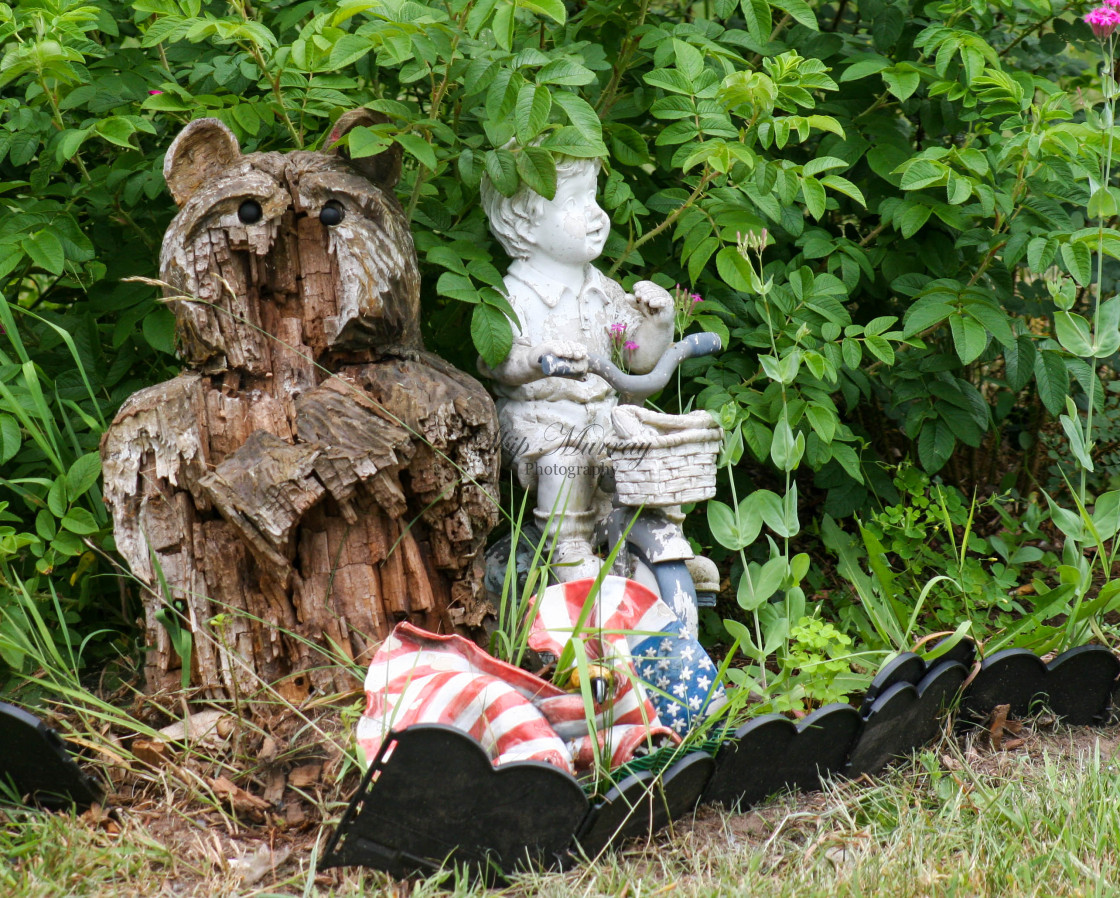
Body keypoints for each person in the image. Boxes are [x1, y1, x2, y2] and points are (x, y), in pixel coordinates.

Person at [479, 156, 674, 581]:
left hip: (600, 414)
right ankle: (566, 543)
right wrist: (534, 360)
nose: (595, 214)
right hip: (538, 418)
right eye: (574, 201)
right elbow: (495, 359)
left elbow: (636, 360)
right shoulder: (515, 293)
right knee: (563, 460)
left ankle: (657, 537)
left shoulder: (603, 289)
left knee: (645, 443)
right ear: (526, 225)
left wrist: (659, 325)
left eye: (593, 197)